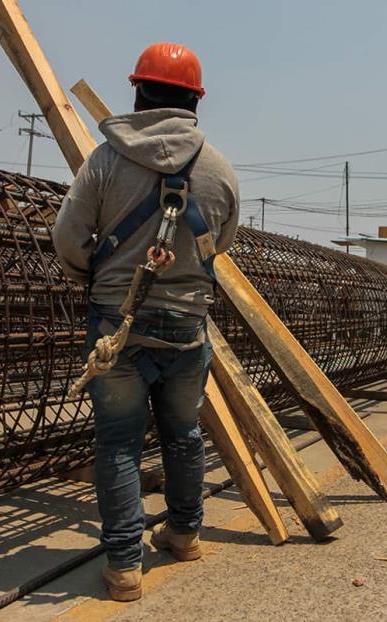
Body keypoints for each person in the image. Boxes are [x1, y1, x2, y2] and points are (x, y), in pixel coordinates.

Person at [52, 42, 239, 601]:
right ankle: (183, 534)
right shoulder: (221, 169)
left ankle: (126, 567)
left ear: (137, 92)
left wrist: (99, 273)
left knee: (118, 441)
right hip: (187, 325)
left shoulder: (105, 160)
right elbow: (220, 244)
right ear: (195, 102)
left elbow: (66, 238)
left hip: (118, 323)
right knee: (183, 434)